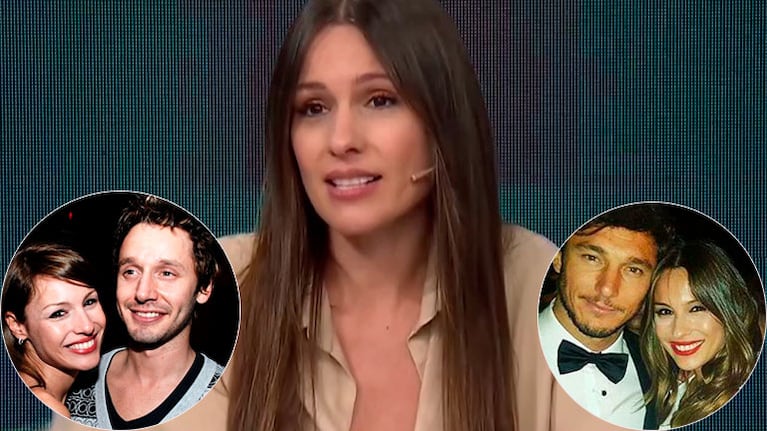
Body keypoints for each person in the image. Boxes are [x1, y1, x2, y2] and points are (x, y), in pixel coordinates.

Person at [65, 195, 225, 429]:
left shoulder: (229, 400)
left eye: (166, 273)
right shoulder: (72, 381)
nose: (143, 292)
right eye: (131, 271)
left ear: (204, 288)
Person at [538, 204, 675, 429]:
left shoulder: (665, 371)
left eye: (633, 270)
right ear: (558, 257)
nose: (607, 289)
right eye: (592, 258)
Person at [641, 241, 764, 429]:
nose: (678, 331)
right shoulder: (683, 386)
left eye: (696, 309)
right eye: (665, 312)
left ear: (729, 310)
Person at [2, 243, 106, 418]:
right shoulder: (46, 407)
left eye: (89, 302)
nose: (87, 326)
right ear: (17, 326)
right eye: (58, 313)